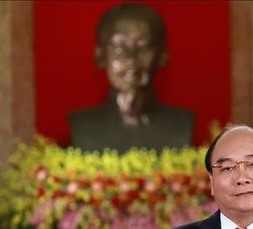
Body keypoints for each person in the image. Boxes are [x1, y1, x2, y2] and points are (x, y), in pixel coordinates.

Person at [68, 2, 194, 153]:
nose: (131, 58)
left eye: (143, 47)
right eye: (119, 47)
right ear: (100, 56)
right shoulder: (82, 125)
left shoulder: (181, 124)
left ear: (162, 55)